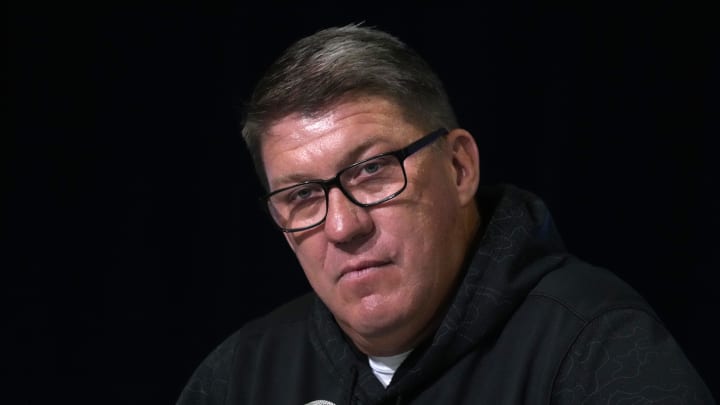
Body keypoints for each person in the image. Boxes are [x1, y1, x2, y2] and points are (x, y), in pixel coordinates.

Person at [176, 23, 715, 404]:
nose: (343, 227)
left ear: (459, 168)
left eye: (371, 171)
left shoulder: (596, 348)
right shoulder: (240, 377)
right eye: (301, 196)